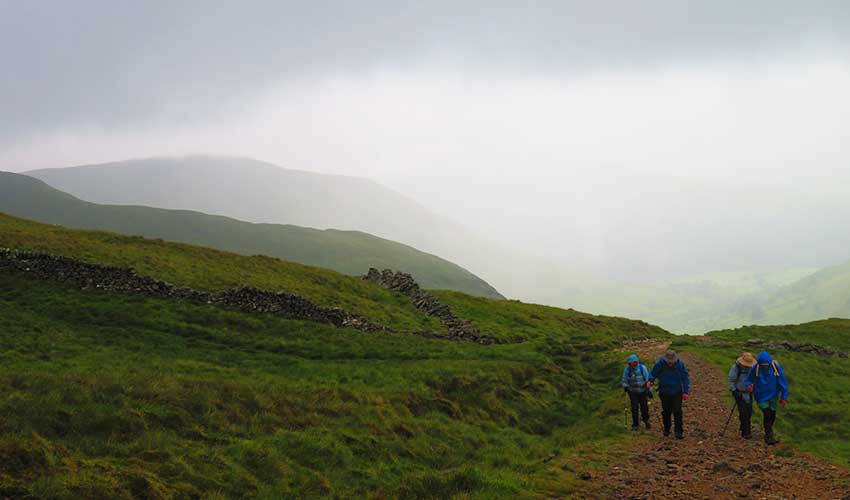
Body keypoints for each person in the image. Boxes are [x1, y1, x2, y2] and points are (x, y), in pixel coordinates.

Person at [745, 351, 789, 445]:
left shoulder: (776, 368)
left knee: (772, 415)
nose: (765, 366)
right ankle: (769, 435)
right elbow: (748, 379)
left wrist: (784, 397)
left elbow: (783, 383)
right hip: (760, 396)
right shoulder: (755, 368)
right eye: (763, 365)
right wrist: (749, 385)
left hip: (773, 396)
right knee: (767, 414)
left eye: (766, 364)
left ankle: (769, 433)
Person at [647, 350, 690, 439]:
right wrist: (650, 381)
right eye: (669, 362)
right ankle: (667, 429)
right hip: (664, 391)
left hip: (677, 391)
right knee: (666, 411)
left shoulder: (680, 364)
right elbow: (652, 373)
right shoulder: (660, 363)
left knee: (677, 411)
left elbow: (685, 377)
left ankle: (678, 431)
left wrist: (686, 392)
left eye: (672, 362)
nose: (670, 364)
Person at [728, 352, 757, 439]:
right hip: (739, 393)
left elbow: (755, 379)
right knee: (744, 412)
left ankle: (743, 426)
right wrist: (734, 391)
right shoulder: (736, 367)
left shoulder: (753, 368)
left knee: (749, 412)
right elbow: (731, 379)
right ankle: (746, 432)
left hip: (749, 393)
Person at [622, 354, 652, 431]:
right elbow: (624, 380)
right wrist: (625, 386)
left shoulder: (642, 368)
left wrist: (649, 390)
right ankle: (635, 424)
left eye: (635, 362)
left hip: (642, 391)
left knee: (644, 407)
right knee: (634, 408)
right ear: (629, 363)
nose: (634, 364)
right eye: (632, 362)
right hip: (632, 391)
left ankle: (646, 421)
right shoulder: (627, 370)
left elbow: (647, 379)